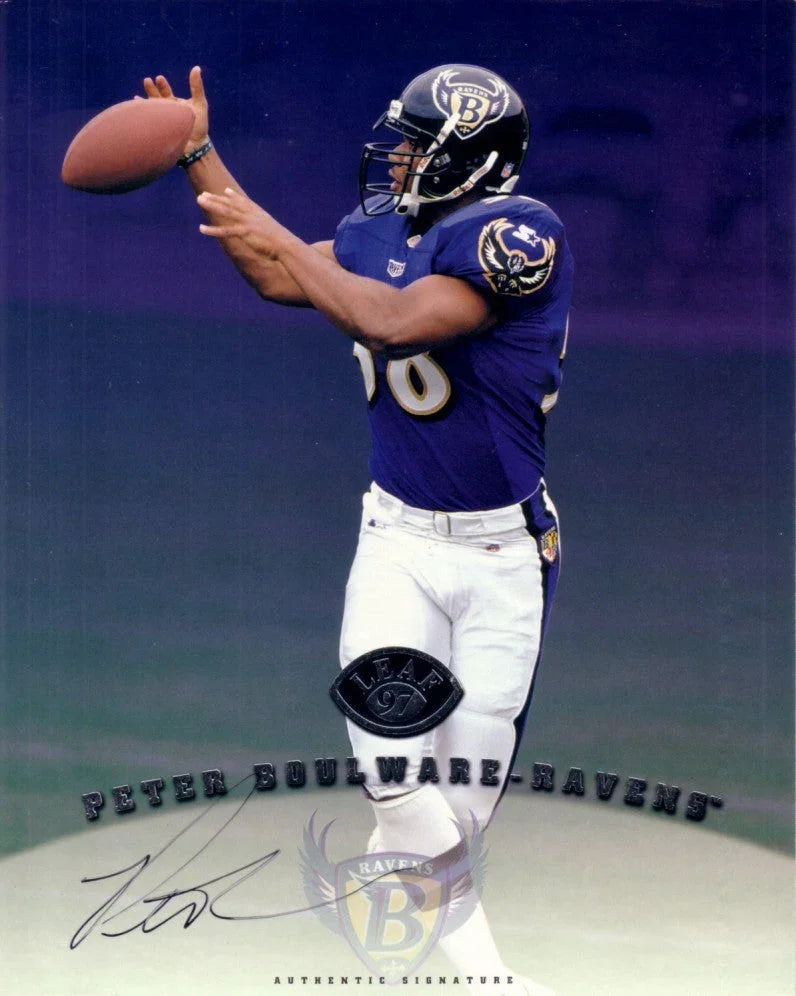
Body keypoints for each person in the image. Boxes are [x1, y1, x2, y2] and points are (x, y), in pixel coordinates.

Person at [142, 63, 572, 995]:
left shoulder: (517, 235)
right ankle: (493, 982)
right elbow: (273, 272)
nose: (398, 157)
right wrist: (198, 153)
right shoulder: (381, 230)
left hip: (502, 554)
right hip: (398, 539)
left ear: (470, 159)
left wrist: (278, 233)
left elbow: (395, 323)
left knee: (451, 822)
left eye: (418, 144)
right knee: (393, 776)